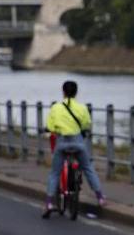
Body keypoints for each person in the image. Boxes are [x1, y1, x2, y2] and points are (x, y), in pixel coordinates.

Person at [42, 80, 106, 216]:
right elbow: (87, 125)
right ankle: (100, 197)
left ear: (63, 92)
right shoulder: (82, 108)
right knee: (88, 168)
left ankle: (48, 202)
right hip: (78, 143)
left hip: (62, 143)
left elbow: (50, 127)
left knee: (55, 172)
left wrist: (53, 129)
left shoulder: (56, 108)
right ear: (76, 92)